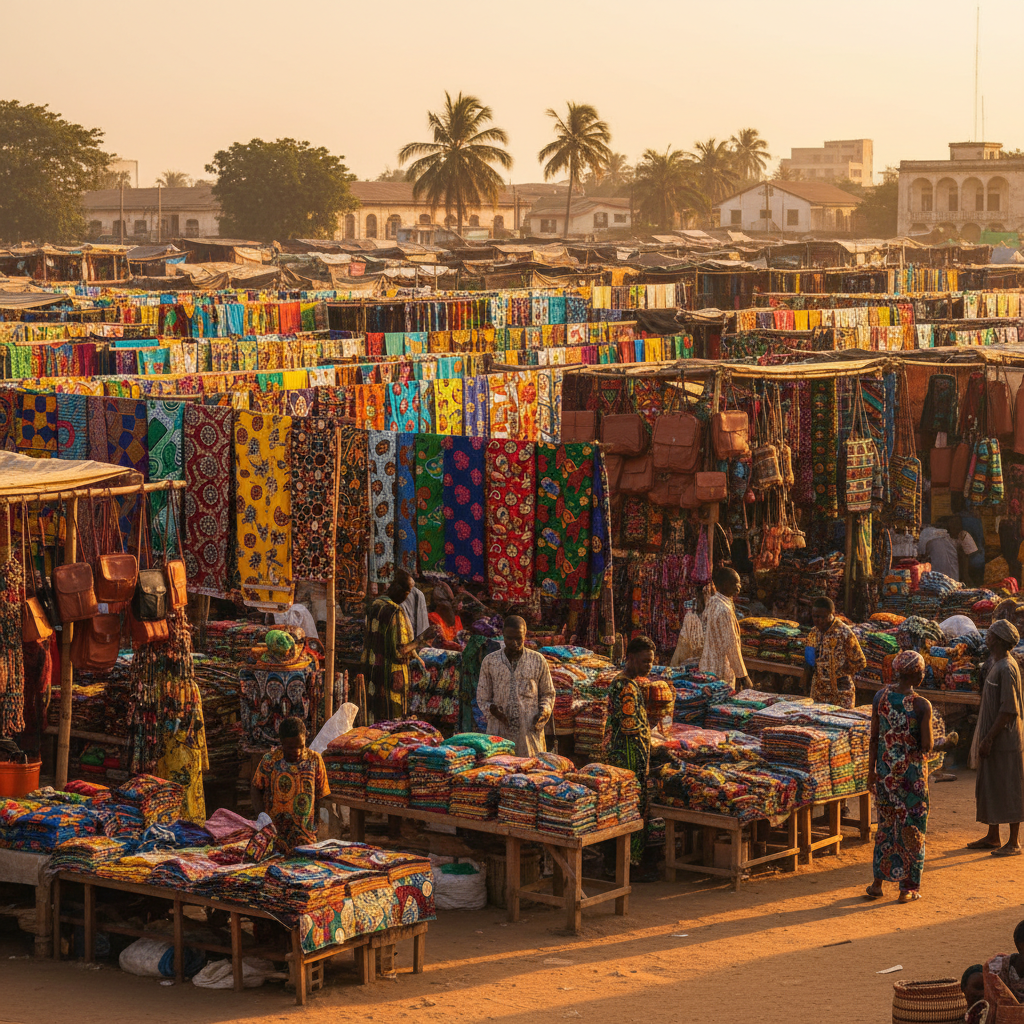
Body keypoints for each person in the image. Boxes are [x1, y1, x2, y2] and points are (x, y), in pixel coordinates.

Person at [864, 650, 958, 903]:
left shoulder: (879, 696)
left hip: (885, 776)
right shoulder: (921, 705)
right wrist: (945, 742)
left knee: (886, 828)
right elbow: (926, 746)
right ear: (917, 673)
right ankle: (908, 888)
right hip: (911, 779)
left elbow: (874, 737)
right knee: (912, 830)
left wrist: (871, 771)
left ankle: (877, 883)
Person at [968, 618, 1024, 856]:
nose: (986, 637)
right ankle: (993, 836)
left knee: (1010, 787)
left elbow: (1009, 709)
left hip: (1005, 741)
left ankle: (1013, 842)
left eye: (990, 634)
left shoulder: (1007, 668)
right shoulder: (996, 663)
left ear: (999, 640)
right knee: (990, 785)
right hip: (994, 737)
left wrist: (989, 738)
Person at [605, 635, 658, 880]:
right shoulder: (625, 686)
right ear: (631, 658)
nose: (648, 666)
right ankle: (629, 865)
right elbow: (630, 727)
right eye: (645, 661)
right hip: (627, 758)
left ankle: (618, 864)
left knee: (620, 808)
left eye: (651, 662)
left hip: (626, 755)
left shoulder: (627, 683)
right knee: (631, 808)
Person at [363, 569, 437, 721]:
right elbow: (400, 650)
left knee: (373, 721)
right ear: (396, 587)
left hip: (372, 672)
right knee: (391, 722)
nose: (406, 596)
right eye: (406, 591)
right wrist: (422, 638)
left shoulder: (374, 605)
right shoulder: (394, 611)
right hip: (390, 677)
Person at [476, 615, 554, 756]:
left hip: (529, 731)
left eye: (518, 638)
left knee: (530, 773)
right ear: (503, 636)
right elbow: (482, 697)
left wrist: (543, 712)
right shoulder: (490, 661)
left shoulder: (538, 660)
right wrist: (494, 711)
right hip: (499, 732)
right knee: (499, 772)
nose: (514, 643)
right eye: (509, 638)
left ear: (525, 635)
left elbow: (548, 693)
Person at [250, 716, 330, 850]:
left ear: (306, 738)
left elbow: (322, 795)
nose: (296, 752)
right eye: (291, 747)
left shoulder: (315, 760)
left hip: (306, 835)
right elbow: (255, 787)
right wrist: (262, 817)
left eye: (300, 746)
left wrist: (317, 826)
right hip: (275, 836)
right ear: (281, 742)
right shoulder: (270, 760)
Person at [802, 597, 867, 709]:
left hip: (841, 694)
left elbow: (860, 661)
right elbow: (809, 661)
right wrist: (805, 683)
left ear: (832, 614)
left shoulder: (844, 632)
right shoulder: (813, 633)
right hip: (818, 693)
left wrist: (842, 674)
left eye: (822, 617)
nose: (818, 620)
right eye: (815, 616)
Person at [699, 566, 750, 689]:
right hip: (720, 667)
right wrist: (743, 676)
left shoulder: (713, 602)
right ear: (726, 584)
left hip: (707, 663)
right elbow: (731, 644)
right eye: (736, 583)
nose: (739, 587)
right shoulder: (724, 609)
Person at [428, 582, 464, 650]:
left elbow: (460, 638)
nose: (461, 604)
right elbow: (439, 642)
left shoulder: (457, 619)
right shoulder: (433, 617)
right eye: (458, 601)